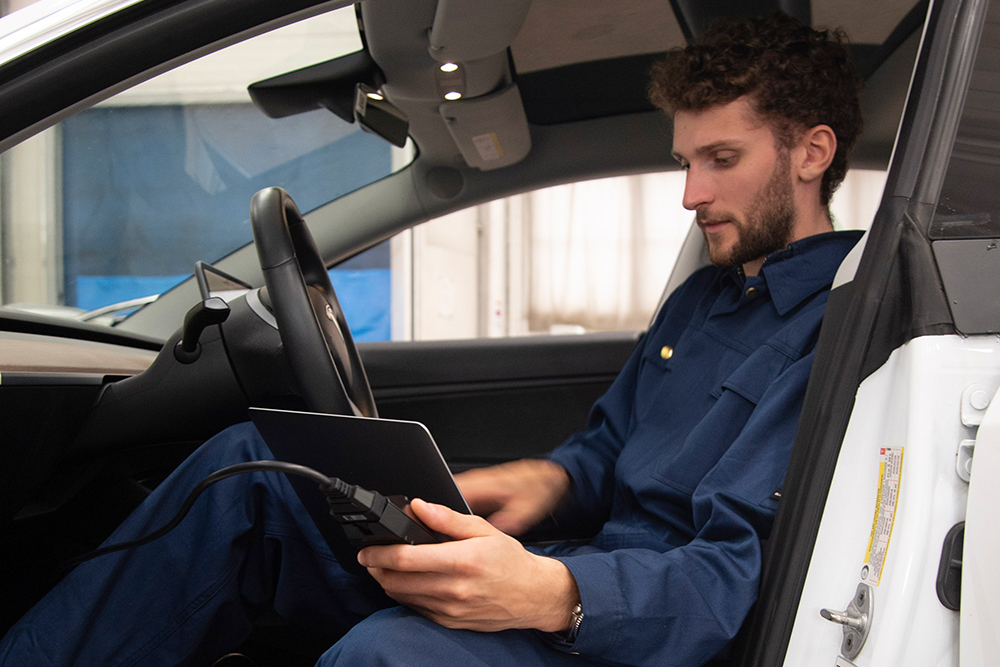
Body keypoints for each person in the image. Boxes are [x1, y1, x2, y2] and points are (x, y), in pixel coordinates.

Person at [0, 12, 865, 667]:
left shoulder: (838, 328)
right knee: (259, 468)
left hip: (633, 631)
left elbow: (734, 577)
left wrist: (553, 592)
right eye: (684, 162)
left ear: (811, 152)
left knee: (386, 652)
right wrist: (545, 478)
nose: (690, 193)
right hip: (571, 567)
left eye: (720, 159)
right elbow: (607, 453)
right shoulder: (702, 300)